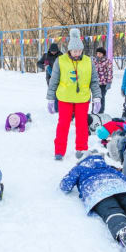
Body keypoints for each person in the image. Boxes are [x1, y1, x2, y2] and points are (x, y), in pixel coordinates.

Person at [46, 28, 102, 160]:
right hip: (64, 98)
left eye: (79, 51)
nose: (77, 53)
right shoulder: (61, 60)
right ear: (69, 50)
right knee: (63, 124)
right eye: (74, 51)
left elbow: (94, 80)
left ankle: (81, 148)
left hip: (82, 99)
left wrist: (97, 97)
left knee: (82, 125)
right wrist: (50, 99)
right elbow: (53, 80)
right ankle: (59, 151)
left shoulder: (88, 61)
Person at [37, 43, 63, 112]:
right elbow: (38, 63)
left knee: (59, 92)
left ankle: (58, 108)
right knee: (52, 92)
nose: (54, 52)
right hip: (49, 77)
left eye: (55, 51)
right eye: (52, 51)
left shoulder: (61, 55)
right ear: (50, 50)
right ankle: (54, 107)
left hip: (59, 76)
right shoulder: (46, 56)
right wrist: (44, 67)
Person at [93, 47, 113, 113]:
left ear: (103, 54)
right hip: (95, 83)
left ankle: (101, 112)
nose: (98, 55)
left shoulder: (107, 61)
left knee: (101, 98)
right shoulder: (94, 61)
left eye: (100, 53)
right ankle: (94, 111)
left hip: (103, 84)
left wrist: (109, 82)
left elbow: (110, 72)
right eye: (97, 53)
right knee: (95, 98)